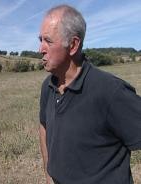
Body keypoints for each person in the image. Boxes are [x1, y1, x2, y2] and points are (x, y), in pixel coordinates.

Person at [38, 4, 141, 184]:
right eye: (40, 40)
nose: (41, 49)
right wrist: (49, 176)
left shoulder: (110, 91)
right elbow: (43, 126)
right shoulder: (48, 85)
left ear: (73, 45)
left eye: (48, 40)